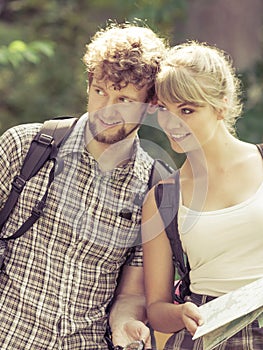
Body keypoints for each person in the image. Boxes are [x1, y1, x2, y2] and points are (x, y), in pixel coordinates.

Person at [0, 21, 170, 349]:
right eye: (100, 91)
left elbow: (131, 294)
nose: (106, 110)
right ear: (88, 85)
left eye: (124, 99)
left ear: (150, 106)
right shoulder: (24, 147)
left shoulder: (153, 188)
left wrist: (127, 324)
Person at [142, 41, 263, 349]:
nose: (173, 123)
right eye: (164, 111)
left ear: (221, 104)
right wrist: (180, 312)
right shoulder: (162, 198)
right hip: (209, 334)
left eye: (187, 110)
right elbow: (156, 310)